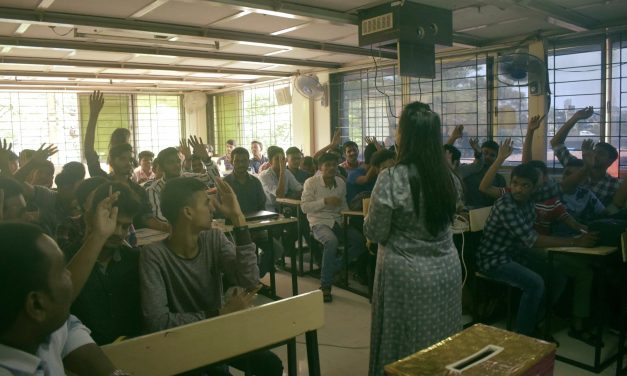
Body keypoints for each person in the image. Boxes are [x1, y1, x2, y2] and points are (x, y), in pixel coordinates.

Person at [139, 177, 283, 376]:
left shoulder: (213, 238)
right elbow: (157, 322)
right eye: (206, 203)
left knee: (270, 365)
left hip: (216, 333)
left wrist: (239, 218)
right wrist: (219, 313)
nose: (213, 209)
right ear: (188, 212)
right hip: (179, 344)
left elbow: (249, 279)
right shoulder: (154, 255)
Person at [364, 102, 462, 376]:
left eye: (398, 129)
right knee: (442, 341)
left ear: (404, 136)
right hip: (446, 271)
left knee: (404, 345)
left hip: (406, 275)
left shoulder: (391, 178)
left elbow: (375, 232)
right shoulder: (449, 179)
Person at [0, 222, 127, 375]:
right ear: (36, 305)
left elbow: (68, 326)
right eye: (61, 271)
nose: (70, 275)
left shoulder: (34, 329)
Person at [64, 183, 142, 345]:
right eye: (112, 222)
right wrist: (99, 235)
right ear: (88, 218)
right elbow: (62, 299)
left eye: (125, 226)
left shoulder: (134, 259)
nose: (118, 232)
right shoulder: (64, 258)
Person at [301, 153, 366, 303]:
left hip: (337, 220)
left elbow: (343, 204)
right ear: (320, 167)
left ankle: (333, 267)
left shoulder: (340, 182)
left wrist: (345, 219)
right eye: (327, 165)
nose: (331, 168)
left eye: (334, 165)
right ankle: (325, 285)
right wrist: (325, 201)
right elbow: (304, 207)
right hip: (318, 221)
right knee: (331, 242)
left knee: (361, 242)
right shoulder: (311, 183)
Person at [550, 106, 620, 206]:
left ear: (610, 161)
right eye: (594, 151)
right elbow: (556, 143)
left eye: (601, 153)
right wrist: (575, 118)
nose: (595, 155)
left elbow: (611, 211)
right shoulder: (576, 167)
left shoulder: (613, 185)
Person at [146, 140, 217, 228]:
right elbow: (159, 217)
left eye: (178, 161)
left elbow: (215, 179)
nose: (176, 165)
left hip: (195, 226)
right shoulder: (154, 189)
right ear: (161, 167)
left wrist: (206, 159)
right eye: (170, 162)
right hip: (174, 231)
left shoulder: (188, 179)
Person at [259, 146, 302, 212]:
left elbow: (300, 189)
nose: (281, 162)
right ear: (270, 161)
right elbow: (280, 195)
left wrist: (292, 195)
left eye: (282, 159)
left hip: (285, 207)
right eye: (277, 159)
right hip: (270, 210)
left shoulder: (287, 172)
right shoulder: (264, 175)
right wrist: (282, 172)